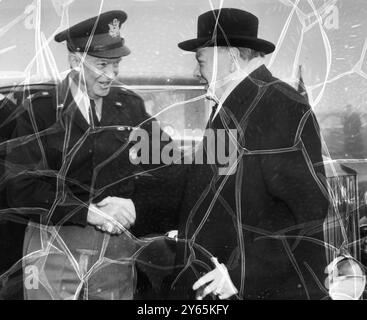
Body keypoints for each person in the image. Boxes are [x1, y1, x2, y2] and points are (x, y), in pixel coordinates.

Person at [6, 10, 184, 300]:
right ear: (76, 61)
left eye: (116, 64)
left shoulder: (130, 108)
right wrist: (89, 212)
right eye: (102, 64)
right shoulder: (40, 112)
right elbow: (20, 189)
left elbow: (170, 169)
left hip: (114, 257)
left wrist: (133, 206)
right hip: (54, 252)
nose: (111, 74)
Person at [169, 8, 330, 300]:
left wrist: (240, 273)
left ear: (229, 59)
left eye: (200, 60)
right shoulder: (235, 106)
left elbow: (308, 212)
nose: (196, 72)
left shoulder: (281, 105)